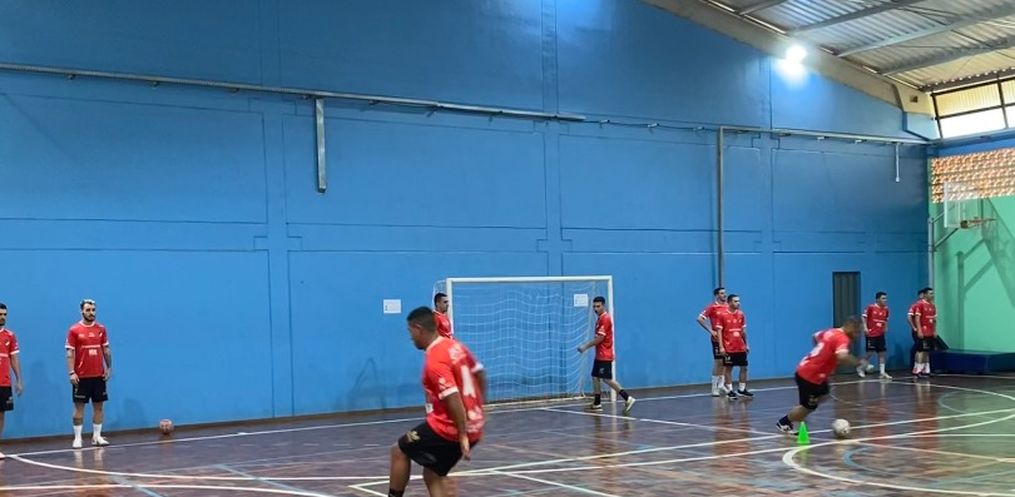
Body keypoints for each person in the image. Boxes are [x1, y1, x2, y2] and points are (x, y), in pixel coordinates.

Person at [387, 306, 486, 497]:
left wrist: (462, 435)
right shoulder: (455, 346)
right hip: (475, 425)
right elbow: (480, 373)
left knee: (399, 450)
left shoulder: (435, 360)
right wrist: (479, 408)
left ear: (419, 329)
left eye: (410, 331)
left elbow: (453, 398)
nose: (410, 337)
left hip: (450, 428)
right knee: (432, 474)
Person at [777, 316, 863, 435]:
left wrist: (823, 355)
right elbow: (842, 356)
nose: (858, 335)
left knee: (824, 393)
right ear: (851, 327)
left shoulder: (830, 332)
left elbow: (815, 336)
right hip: (810, 376)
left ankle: (803, 408)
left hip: (812, 372)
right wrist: (858, 362)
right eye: (857, 331)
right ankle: (784, 422)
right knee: (808, 407)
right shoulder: (842, 338)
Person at [66, 299, 112, 449]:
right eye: (88, 310)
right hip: (81, 377)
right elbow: (70, 353)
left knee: (98, 407)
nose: (91, 313)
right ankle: (77, 438)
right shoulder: (74, 330)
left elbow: (106, 350)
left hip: (98, 376)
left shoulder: (101, 329)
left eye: (93, 310)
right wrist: (71, 372)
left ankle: (96, 437)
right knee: (79, 408)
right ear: (82, 311)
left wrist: (109, 367)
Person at [577, 296, 635, 414]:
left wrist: (585, 346)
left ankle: (628, 398)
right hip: (599, 354)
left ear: (603, 306)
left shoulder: (605, 319)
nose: (595, 309)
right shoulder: (600, 319)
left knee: (606, 379)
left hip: (605, 354)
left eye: (598, 306)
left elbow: (600, 338)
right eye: (594, 306)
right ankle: (597, 403)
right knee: (595, 376)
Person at [0, 303, 24, 459]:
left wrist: (19, 380)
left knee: (1, 414)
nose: (2, 317)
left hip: (3, 382)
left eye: (4, 314)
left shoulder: (10, 336)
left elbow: (14, 358)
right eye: (0, 314)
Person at [717, 295, 752, 400]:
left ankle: (742, 389)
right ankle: (730, 390)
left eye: (738, 301)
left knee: (744, 367)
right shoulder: (722, 315)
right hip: (728, 347)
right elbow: (719, 332)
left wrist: (746, 344)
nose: (738, 303)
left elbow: (743, 331)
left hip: (740, 347)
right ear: (729, 302)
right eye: (735, 301)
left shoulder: (741, 314)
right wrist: (721, 347)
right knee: (728, 368)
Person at [697, 287, 728, 396]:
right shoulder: (712, 307)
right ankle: (714, 387)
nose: (724, 295)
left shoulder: (728, 306)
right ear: (717, 295)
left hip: (728, 339)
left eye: (725, 293)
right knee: (718, 362)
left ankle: (721, 385)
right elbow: (700, 319)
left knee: (726, 362)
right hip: (717, 339)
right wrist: (711, 331)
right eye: (722, 293)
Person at [859, 291, 892, 379]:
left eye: (886, 298)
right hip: (871, 334)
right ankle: (860, 368)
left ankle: (882, 372)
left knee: (882, 353)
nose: (885, 300)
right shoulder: (871, 307)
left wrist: (886, 327)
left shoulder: (886, 309)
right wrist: (865, 327)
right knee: (869, 352)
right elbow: (864, 317)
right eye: (883, 298)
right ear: (877, 299)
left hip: (880, 334)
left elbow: (885, 319)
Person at [908, 287, 937, 379]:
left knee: (927, 351)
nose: (932, 295)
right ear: (925, 295)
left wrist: (934, 330)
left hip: (930, 332)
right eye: (930, 293)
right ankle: (917, 370)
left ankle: (926, 370)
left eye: (933, 293)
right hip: (922, 332)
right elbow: (916, 318)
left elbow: (934, 320)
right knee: (920, 350)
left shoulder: (932, 306)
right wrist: (918, 329)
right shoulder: (919, 305)